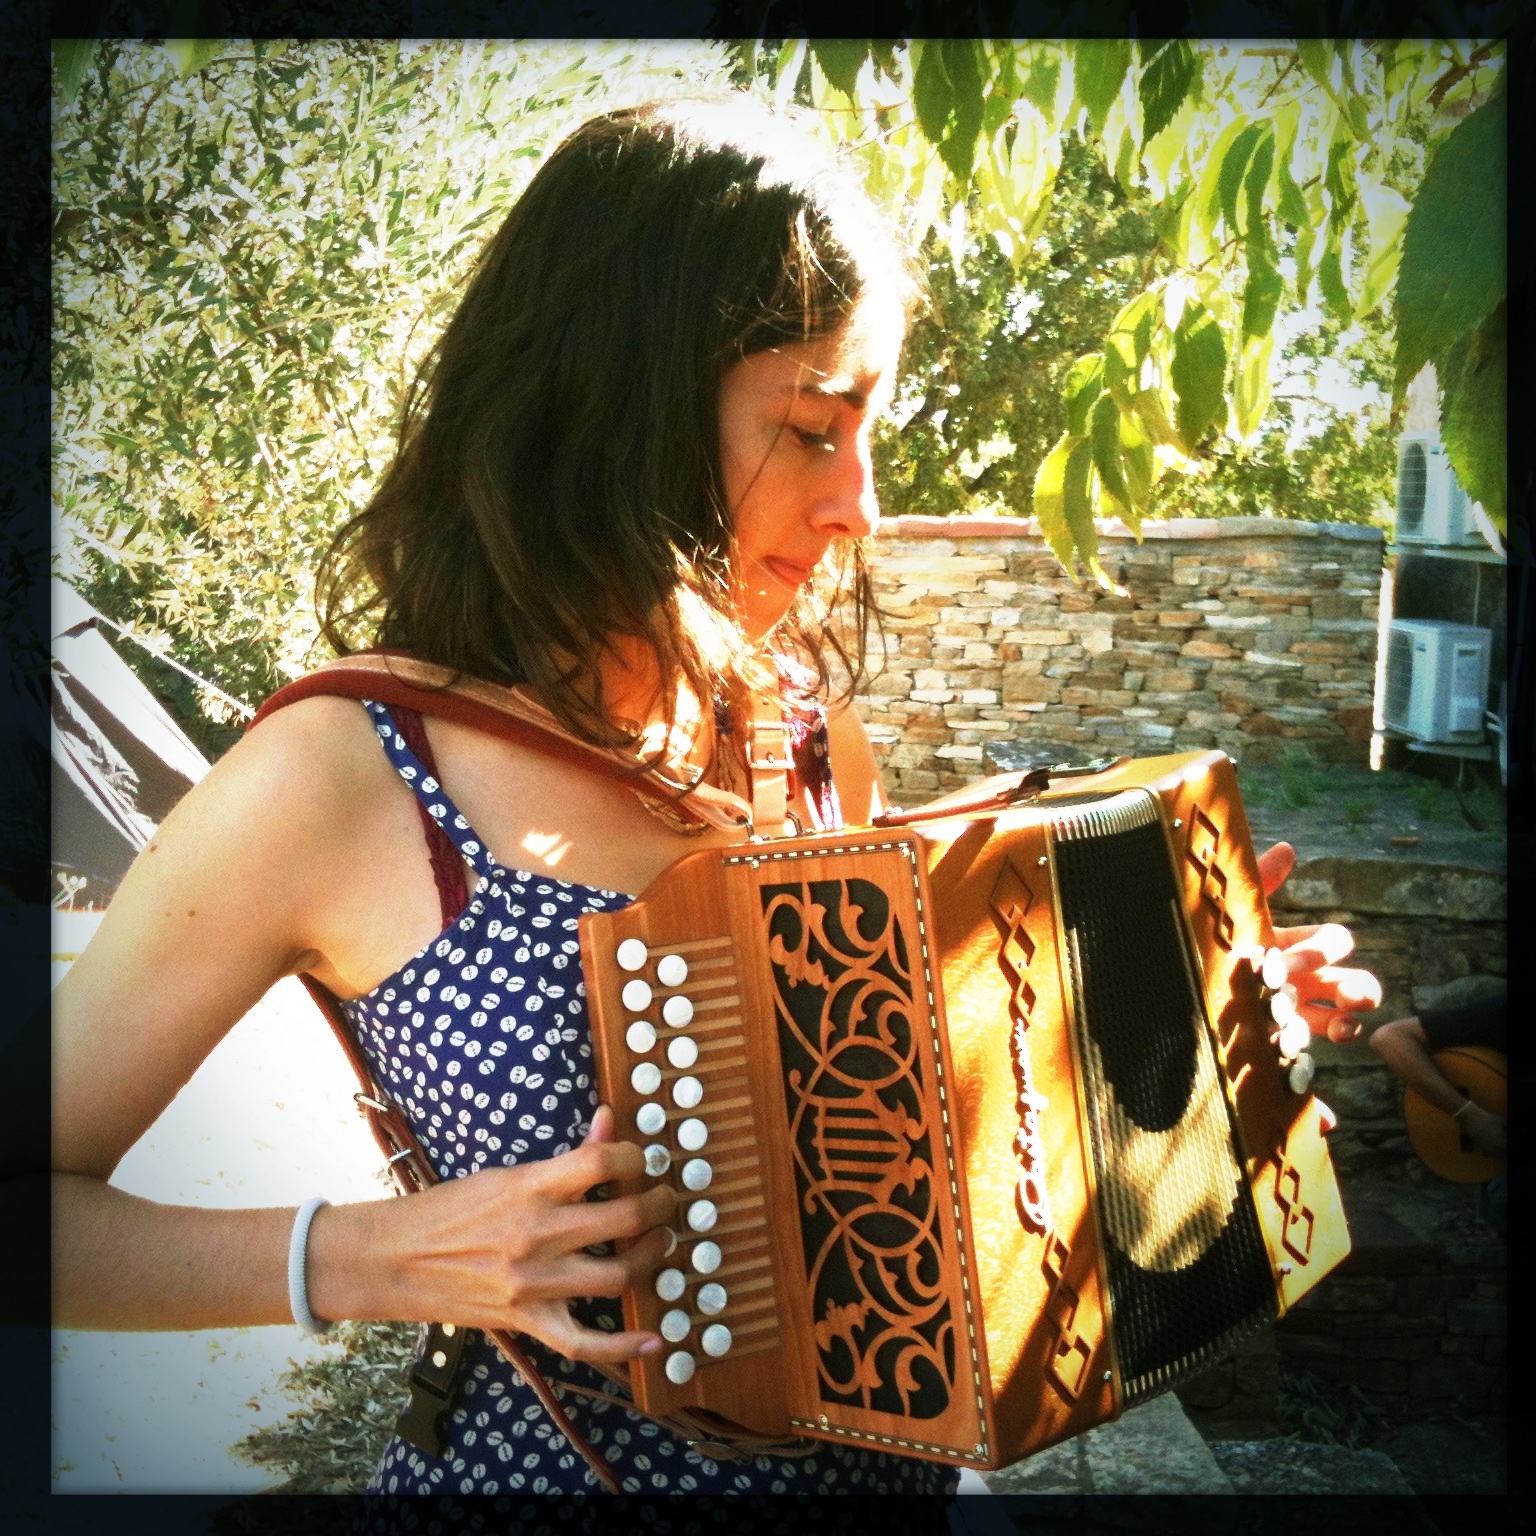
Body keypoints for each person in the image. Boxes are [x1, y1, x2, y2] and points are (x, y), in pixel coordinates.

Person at [48, 96, 1381, 1500]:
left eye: (867, 433)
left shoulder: (805, 739)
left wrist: (1192, 1042)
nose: (862, 503)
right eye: (812, 429)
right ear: (620, 413)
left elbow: (909, 1168)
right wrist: (369, 1257)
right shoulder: (342, 772)